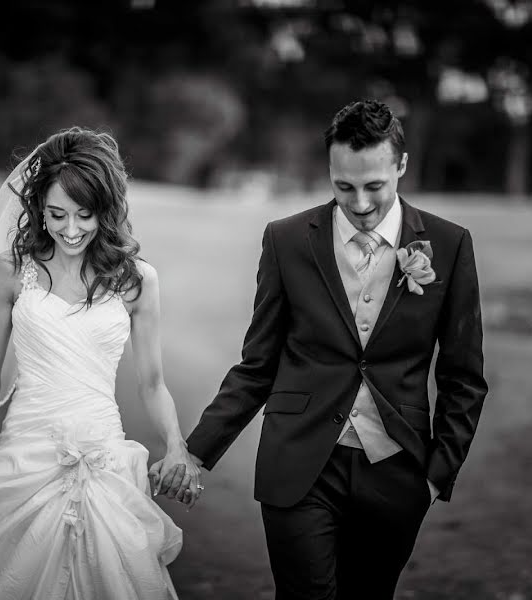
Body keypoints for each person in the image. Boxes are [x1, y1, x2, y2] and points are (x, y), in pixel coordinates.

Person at [152, 100, 489, 598]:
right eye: (343, 186)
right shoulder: (287, 240)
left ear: (401, 166)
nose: (359, 203)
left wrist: (438, 474)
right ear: (329, 171)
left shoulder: (449, 243)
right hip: (299, 467)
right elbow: (258, 364)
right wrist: (195, 452)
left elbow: (463, 376)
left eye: (375, 185)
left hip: (396, 474)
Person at [0, 127, 200, 599]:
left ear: (107, 209)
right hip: (24, 458)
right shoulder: (11, 272)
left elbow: (153, 383)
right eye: (56, 215)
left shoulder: (137, 281)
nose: (70, 229)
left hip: (103, 456)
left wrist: (176, 446)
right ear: (38, 209)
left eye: (83, 215)